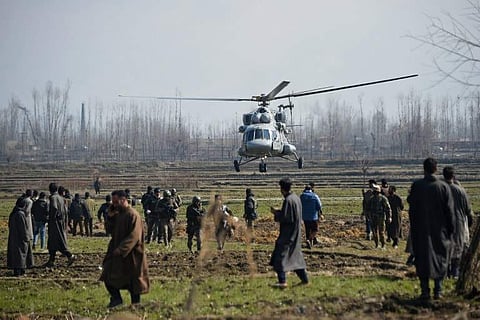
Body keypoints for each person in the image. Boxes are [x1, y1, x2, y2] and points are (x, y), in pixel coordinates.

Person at [408, 157, 455, 300]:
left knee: (422, 258)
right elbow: (449, 212)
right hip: (439, 230)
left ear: (424, 169)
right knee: (440, 257)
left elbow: (411, 210)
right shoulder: (443, 187)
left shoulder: (417, 186)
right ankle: (438, 290)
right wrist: (450, 230)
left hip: (420, 230)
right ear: (436, 169)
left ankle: (424, 291)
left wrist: (414, 226)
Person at [100, 190, 149, 308]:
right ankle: (116, 299)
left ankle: (135, 305)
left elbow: (134, 236)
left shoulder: (133, 214)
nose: (114, 204)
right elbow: (110, 230)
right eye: (113, 202)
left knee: (134, 281)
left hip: (132, 254)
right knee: (107, 275)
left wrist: (121, 249)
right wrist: (110, 217)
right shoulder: (119, 214)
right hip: (117, 253)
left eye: (116, 202)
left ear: (123, 200)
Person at [269, 177, 309, 288]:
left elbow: (286, 218)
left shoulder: (288, 200)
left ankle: (282, 281)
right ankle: (305, 280)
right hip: (296, 232)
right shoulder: (296, 198)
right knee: (295, 257)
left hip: (287, 234)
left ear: (282, 189)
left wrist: (276, 213)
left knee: (280, 257)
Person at [443, 166, 473, 279]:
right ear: (453, 176)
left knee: (444, 248)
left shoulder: (440, 189)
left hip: (443, 224)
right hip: (459, 223)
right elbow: (468, 210)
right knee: (457, 248)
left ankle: (445, 273)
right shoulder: (461, 191)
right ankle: (455, 273)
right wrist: (469, 222)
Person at [46, 183, 75, 267]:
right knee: (53, 242)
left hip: (55, 223)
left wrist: (51, 218)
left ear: (50, 189)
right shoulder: (61, 198)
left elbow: (54, 208)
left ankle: (70, 255)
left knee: (56, 241)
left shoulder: (53, 198)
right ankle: (51, 261)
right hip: (61, 221)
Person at [7, 198, 33, 276]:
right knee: (21, 255)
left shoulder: (14, 213)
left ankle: (18, 270)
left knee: (16, 255)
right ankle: (19, 271)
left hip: (13, 236)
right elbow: (23, 228)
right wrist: (26, 237)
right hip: (20, 238)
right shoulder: (20, 214)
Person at [367, 184, 391, 249]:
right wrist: (368, 216)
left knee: (381, 232)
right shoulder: (371, 199)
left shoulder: (383, 198)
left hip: (381, 217)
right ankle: (377, 244)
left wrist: (389, 217)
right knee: (375, 232)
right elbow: (368, 208)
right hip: (373, 217)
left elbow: (388, 208)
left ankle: (383, 245)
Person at [300, 184, 323, 249]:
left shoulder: (302, 196)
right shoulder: (315, 196)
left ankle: (310, 243)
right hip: (313, 216)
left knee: (307, 229)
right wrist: (320, 213)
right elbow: (319, 206)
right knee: (315, 229)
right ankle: (309, 239)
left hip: (304, 216)